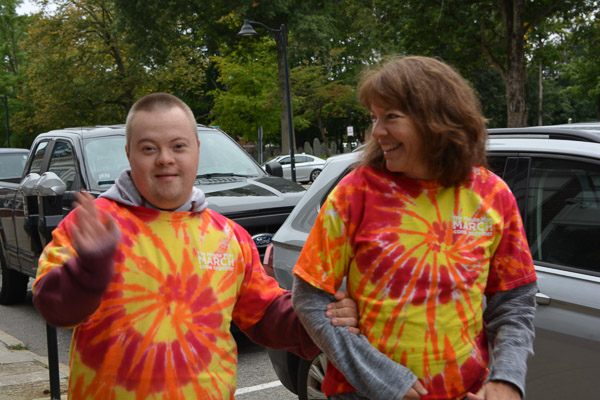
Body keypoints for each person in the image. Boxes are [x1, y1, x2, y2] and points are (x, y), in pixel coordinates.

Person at [32, 92, 359, 399]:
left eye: (178, 146)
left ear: (196, 150)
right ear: (129, 154)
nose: (165, 159)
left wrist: (320, 315)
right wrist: (87, 270)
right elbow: (52, 307)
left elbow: (264, 313)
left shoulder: (228, 236)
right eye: (149, 149)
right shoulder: (90, 225)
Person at [291, 56, 538, 400]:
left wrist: (507, 379)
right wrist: (381, 377)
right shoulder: (355, 192)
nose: (377, 132)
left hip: (465, 391)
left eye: (391, 117)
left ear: (437, 119)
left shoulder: (492, 194)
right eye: (374, 117)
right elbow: (309, 297)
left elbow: (515, 300)